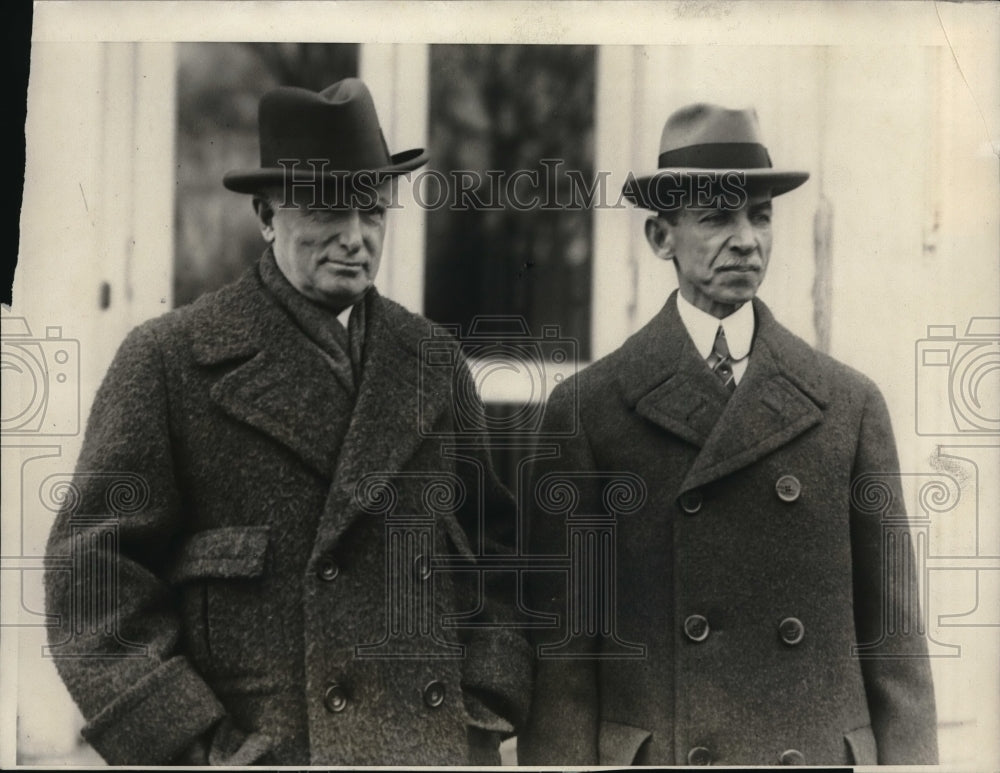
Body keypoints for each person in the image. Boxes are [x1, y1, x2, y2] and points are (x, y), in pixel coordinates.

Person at [44, 78, 531, 766]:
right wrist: (195, 747)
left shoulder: (430, 359)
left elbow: (497, 552)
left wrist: (483, 710)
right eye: (325, 208)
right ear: (267, 213)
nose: (354, 238)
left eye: (372, 210)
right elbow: (93, 580)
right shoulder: (169, 360)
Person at [519, 103, 938, 766]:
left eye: (760, 214)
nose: (746, 239)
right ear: (661, 237)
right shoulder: (588, 410)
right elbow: (566, 657)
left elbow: (896, 644)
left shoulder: (849, 404)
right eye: (716, 217)